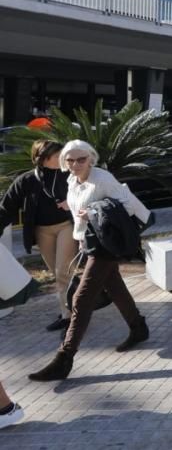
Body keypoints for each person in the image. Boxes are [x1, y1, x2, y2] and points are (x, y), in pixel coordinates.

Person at [28, 140, 151, 382]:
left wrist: (94, 211)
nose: (75, 164)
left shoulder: (102, 178)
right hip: (91, 241)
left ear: (91, 158)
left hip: (107, 244)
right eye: (70, 160)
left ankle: (64, 358)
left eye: (81, 159)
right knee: (115, 287)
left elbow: (128, 205)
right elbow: (76, 211)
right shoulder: (72, 180)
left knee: (81, 299)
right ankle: (138, 328)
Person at [0, 140, 75, 331]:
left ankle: (69, 317)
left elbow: (87, 194)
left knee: (62, 272)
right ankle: (77, 304)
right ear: (42, 159)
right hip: (42, 232)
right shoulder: (26, 180)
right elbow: (7, 208)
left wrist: (72, 202)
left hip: (66, 226)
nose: (62, 158)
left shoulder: (70, 175)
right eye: (57, 155)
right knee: (58, 274)